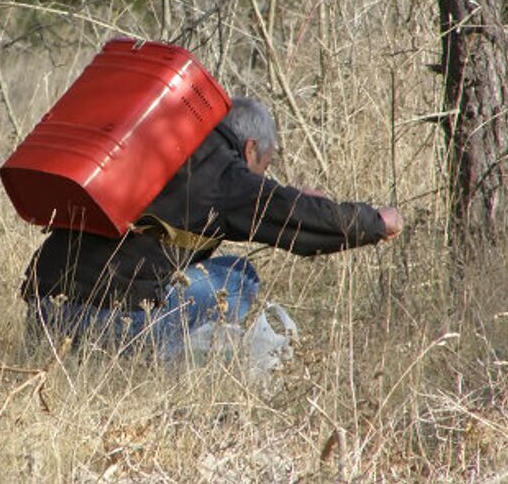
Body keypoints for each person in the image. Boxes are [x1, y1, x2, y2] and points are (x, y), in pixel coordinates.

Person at [22, 97, 403, 357]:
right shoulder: (224, 174)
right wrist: (375, 222)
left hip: (42, 317)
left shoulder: (158, 144)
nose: (258, 178)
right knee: (241, 276)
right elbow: (294, 217)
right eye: (263, 167)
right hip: (110, 328)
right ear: (250, 148)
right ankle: (178, 352)